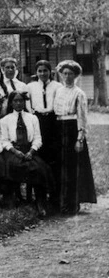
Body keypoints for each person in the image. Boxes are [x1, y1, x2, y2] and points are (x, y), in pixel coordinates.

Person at [53, 60, 97, 214]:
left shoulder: (79, 93)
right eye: (64, 73)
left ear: (76, 75)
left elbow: (82, 116)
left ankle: (72, 203)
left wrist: (80, 138)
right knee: (60, 166)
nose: (67, 76)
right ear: (61, 74)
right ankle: (60, 202)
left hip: (72, 129)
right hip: (59, 129)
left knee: (72, 167)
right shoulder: (58, 91)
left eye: (70, 74)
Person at [0, 91, 53, 216]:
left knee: (39, 168)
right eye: (15, 101)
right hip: (13, 151)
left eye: (21, 101)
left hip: (29, 150)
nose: (18, 103)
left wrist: (31, 151)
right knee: (13, 166)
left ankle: (40, 201)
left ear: (25, 102)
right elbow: (4, 141)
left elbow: (37, 138)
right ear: (11, 103)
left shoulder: (32, 118)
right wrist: (15, 151)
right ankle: (13, 198)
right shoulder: (5, 120)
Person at [26, 60, 61, 204]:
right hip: (38, 119)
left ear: (50, 72)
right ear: (36, 72)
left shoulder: (57, 86)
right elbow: (28, 105)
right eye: (40, 71)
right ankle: (38, 193)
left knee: (53, 155)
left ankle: (54, 194)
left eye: (45, 70)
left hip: (53, 121)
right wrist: (33, 115)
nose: (42, 74)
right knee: (39, 155)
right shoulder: (31, 86)